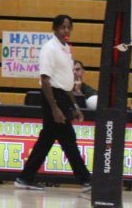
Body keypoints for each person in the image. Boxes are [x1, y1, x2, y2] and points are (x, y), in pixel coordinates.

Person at [13, 15, 91, 192]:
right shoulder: (49, 48)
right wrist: (55, 108)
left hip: (63, 97)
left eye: (69, 27)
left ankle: (24, 178)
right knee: (68, 139)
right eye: (63, 27)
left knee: (47, 140)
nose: (66, 31)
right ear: (55, 29)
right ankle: (86, 180)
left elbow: (67, 82)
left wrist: (75, 106)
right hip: (53, 98)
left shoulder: (65, 49)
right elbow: (45, 80)